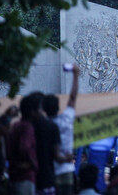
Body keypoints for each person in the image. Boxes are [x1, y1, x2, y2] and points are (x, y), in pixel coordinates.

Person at [44, 65, 80, 195]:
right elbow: (73, 98)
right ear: (58, 107)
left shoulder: (43, 126)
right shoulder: (66, 119)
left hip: (48, 172)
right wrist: (76, 76)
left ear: (43, 110)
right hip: (66, 170)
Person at [7, 94, 39, 195]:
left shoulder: (16, 125)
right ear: (33, 112)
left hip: (14, 177)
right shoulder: (27, 127)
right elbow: (24, 148)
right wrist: (34, 165)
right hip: (26, 178)